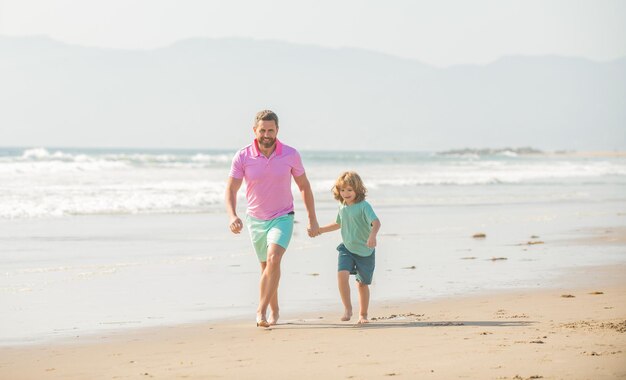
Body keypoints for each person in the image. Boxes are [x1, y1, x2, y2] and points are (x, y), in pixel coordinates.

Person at [225, 109, 320, 328]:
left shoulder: (290, 154)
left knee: (274, 259)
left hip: (283, 216)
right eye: (262, 130)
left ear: (277, 130)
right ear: (254, 130)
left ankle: (260, 311)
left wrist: (312, 219)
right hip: (255, 220)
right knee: (266, 267)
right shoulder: (243, 156)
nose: (267, 134)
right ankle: (274, 309)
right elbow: (231, 188)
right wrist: (232, 216)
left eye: (271, 130)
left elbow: (304, 186)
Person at [317, 171, 381, 324]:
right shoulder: (342, 206)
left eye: (349, 190)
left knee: (362, 284)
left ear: (357, 190)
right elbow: (339, 223)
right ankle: (347, 308)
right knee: (342, 275)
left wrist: (372, 236)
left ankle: (363, 315)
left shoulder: (364, 206)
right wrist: (320, 230)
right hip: (347, 248)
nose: (345, 193)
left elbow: (376, 222)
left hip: (365, 251)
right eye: (342, 190)